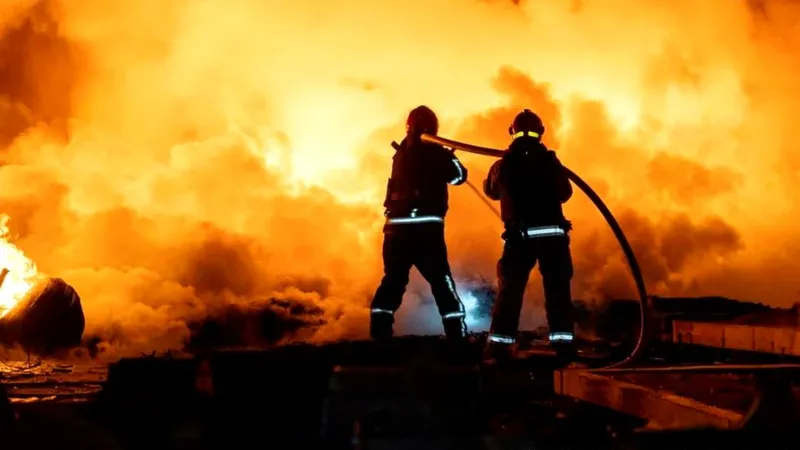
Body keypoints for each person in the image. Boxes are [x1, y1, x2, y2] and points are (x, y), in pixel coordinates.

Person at [482, 109, 576, 364]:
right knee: (557, 293)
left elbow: (490, 191)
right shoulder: (550, 161)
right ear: (541, 132)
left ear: (511, 131)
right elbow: (565, 193)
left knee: (510, 293)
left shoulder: (503, 164)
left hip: (519, 239)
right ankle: (564, 347)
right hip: (552, 239)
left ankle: (499, 348)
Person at [369, 105, 470, 342]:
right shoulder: (435, 152)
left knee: (392, 282)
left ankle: (379, 336)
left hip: (395, 231)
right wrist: (449, 154)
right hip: (425, 233)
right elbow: (459, 176)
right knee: (442, 283)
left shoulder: (401, 152)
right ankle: (457, 338)